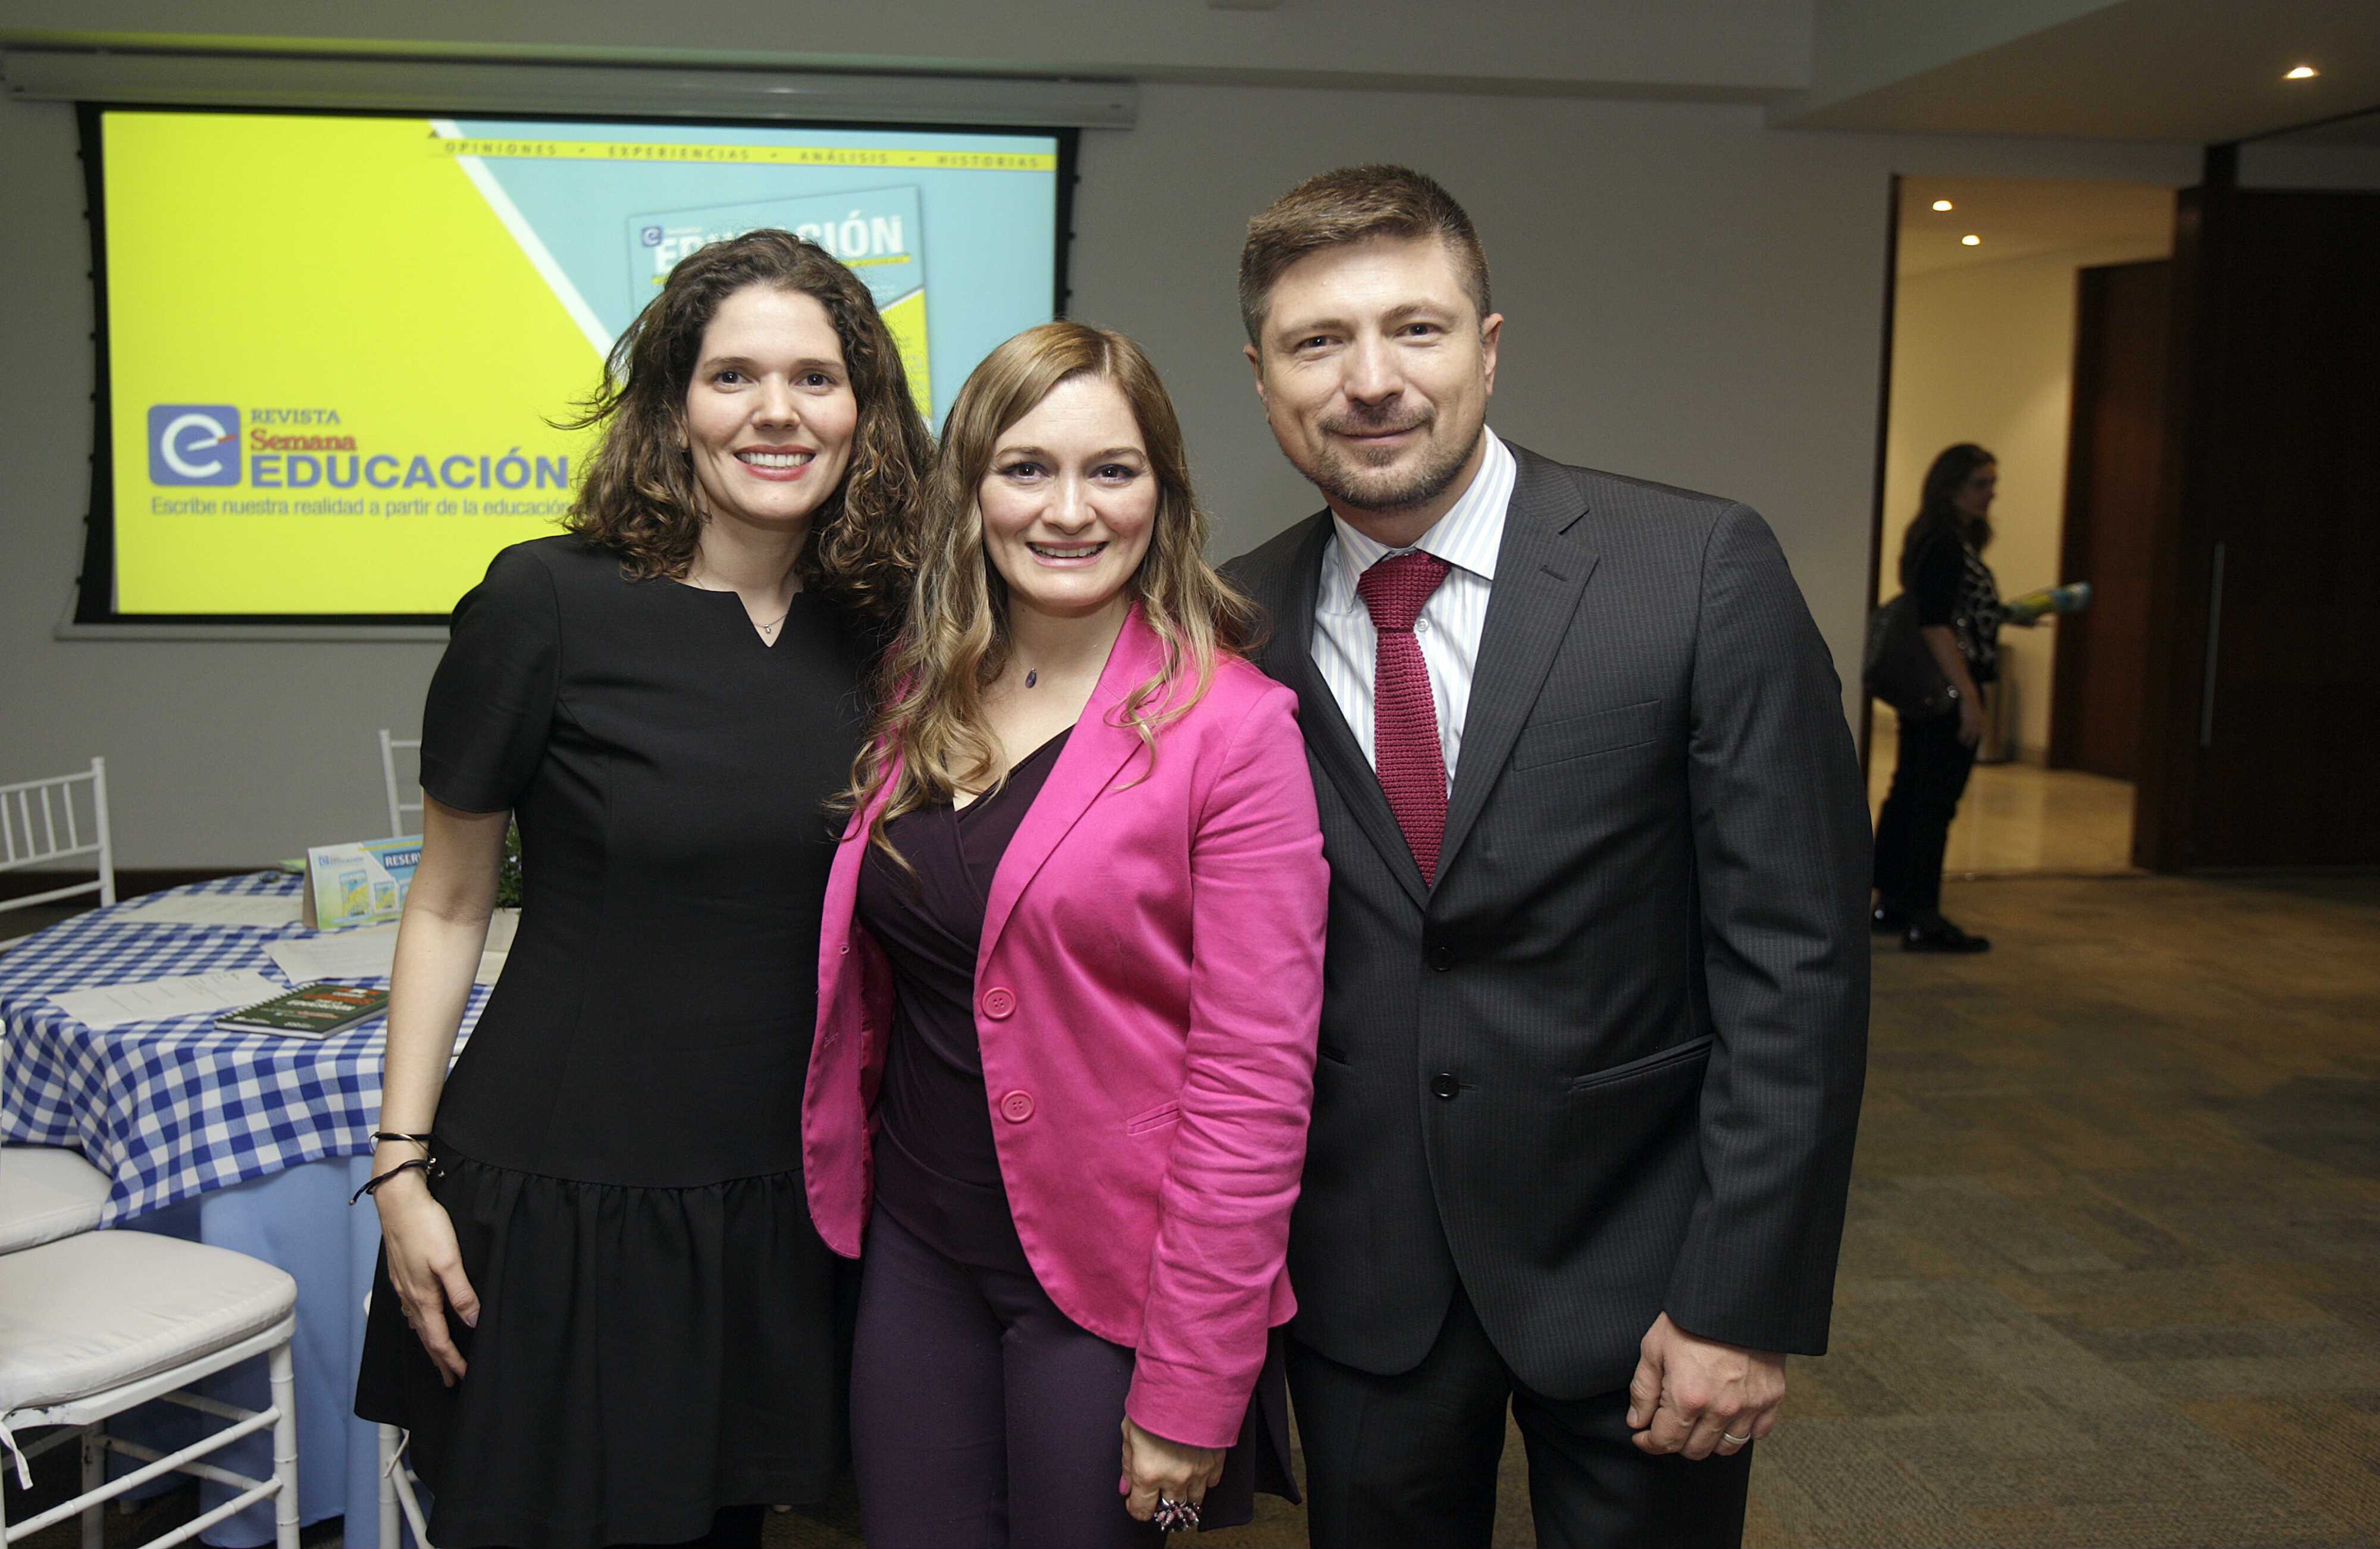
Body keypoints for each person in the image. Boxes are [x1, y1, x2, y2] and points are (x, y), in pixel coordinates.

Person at [1223, 166, 1871, 1549]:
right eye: (1317, 343)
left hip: (1640, 1266)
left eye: (1416, 328)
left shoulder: (1695, 569)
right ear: (1262, 378)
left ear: (1489, 345)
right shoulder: (1230, 625)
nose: (1370, 381)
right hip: (1361, 1277)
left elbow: (1796, 964)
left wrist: (1739, 1298)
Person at [353, 229, 932, 1549]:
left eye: (815, 377)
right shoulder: (544, 603)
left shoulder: (893, 630)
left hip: (774, 1202)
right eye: (732, 376)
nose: (776, 411)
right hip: (565, 1191)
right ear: (673, 405)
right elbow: (447, 902)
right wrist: (398, 1173)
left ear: (863, 412)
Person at [804, 321, 1327, 1546]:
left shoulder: (1234, 729)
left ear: (1162, 493)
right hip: (917, 1250)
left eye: (1112, 469)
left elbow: (1255, 1081)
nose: (1068, 509)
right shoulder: (914, 689)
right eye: (1025, 467)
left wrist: (1196, 1378)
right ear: (970, 490)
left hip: (1110, 1283)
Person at [1872, 442, 2003, 952]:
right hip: (1945, 691)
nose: (1991, 495)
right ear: (1952, 487)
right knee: (1932, 803)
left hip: (1931, 691)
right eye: (1981, 484)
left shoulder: (1936, 538)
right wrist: (1969, 695)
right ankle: (1923, 916)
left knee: (1911, 794)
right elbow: (1935, 623)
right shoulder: (1945, 543)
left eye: (1993, 484)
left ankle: (1895, 902)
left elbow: (1950, 613)